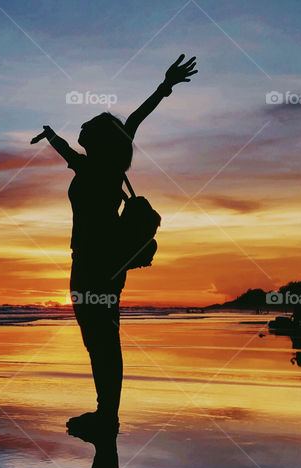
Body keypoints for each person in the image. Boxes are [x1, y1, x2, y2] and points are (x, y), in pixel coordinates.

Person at [31, 55, 197, 440]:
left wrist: (164, 85)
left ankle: (108, 417)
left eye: (89, 124)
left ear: (104, 136)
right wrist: (51, 137)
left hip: (97, 264)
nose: (83, 126)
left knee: (102, 339)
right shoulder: (95, 167)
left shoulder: (106, 167)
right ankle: (105, 412)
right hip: (93, 262)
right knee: (99, 340)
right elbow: (71, 154)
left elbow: (135, 120)